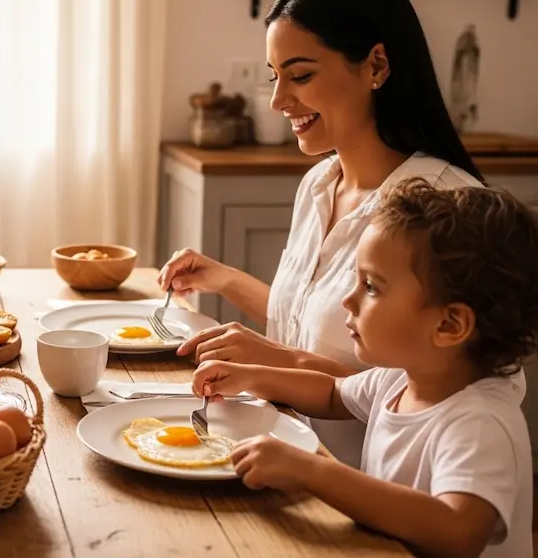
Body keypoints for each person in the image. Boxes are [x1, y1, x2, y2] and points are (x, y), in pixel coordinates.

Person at [155, 0, 516, 467]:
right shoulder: (320, 184)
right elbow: (313, 321)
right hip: (282, 457)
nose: (280, 100)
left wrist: (277, 362)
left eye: (300, 75)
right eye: (274, 76)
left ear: (376, 66)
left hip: (366, 496)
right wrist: (227, 280)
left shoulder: (445, 204)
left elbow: (452, 391)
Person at [191, 178, 537, 557]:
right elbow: (331, 393)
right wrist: (250, 378)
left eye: (371, 286)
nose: (348, 300)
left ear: (449, 325)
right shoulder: (402, 378)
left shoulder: (479, 421)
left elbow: (458, 531)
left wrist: (313, 471)